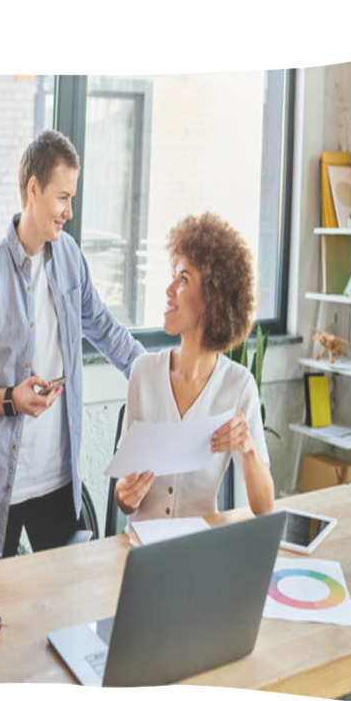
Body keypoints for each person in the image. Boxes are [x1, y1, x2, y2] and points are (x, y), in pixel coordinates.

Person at [0, 129, 145, 560]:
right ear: (33, 189)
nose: (69, 212)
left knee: (69, 607)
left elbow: (105, 329)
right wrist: (9, 400)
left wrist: (162, 378)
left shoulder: (71, 258)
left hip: (58, 480)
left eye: (72, 199)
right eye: (62, 198)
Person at [115, 212, 275, 522]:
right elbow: (125, 500)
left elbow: (264, 507)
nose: (169, 289)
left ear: (212, 298)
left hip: (200, 550)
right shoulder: (143, 373)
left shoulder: (239, 386)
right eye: (173, 276)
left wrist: (249, 448)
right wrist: (125, 495)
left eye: (183, 279)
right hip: (142, 549)